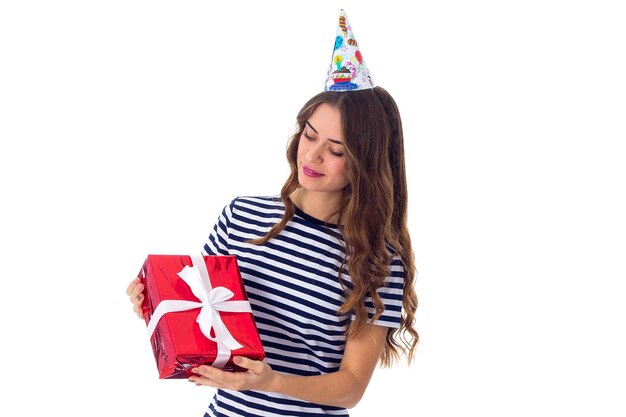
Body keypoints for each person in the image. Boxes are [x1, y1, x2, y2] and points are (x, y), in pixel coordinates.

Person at [126, 10, 418, 417]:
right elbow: (202, 327)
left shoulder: (376, 258)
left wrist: (272, 381)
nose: (313, 155)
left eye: (336, 150)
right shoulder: (241, 216)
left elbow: (351, 386)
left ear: (366, 163)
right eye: (309, 135)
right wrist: (156, 306)